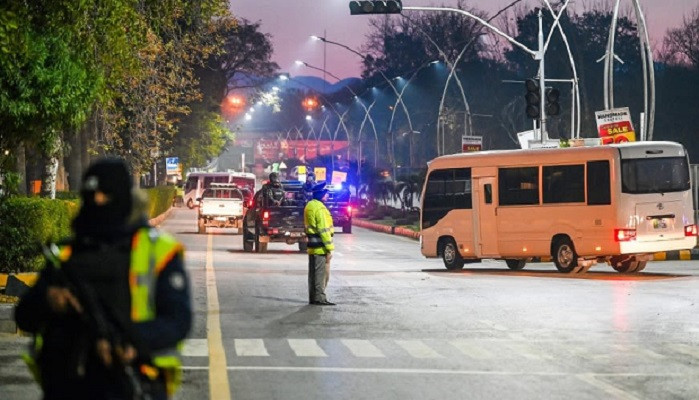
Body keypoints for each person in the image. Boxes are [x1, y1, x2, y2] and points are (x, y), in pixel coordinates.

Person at [14, 157, 192, 400]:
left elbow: (177, 320)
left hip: (135, 384)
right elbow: (24, 317)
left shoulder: (157, 251)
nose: (97, 201)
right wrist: (48, 300)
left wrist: (130, 342)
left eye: (105, 194)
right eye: (91, 195)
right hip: (68, 386)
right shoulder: (66, 255)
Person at [303, 182, 335, 306]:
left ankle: (313, 297)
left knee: (313, 274)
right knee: (320, 275)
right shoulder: (320, 208)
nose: (327, 196)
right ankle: (319, 298)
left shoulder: (309, 205)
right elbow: (323, 230)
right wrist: (329, 248)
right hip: (320, 247)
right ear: (321, 195)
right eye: (326, 194)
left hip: (312, 246)